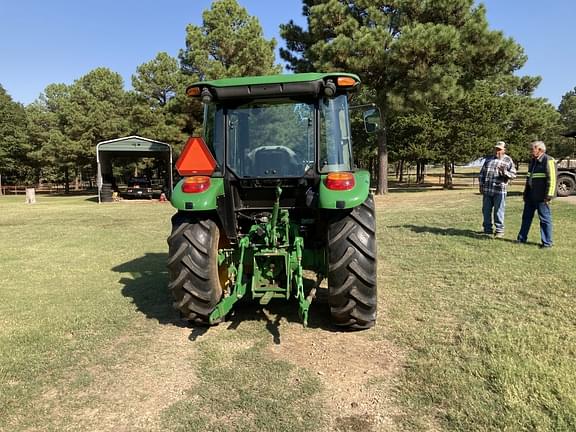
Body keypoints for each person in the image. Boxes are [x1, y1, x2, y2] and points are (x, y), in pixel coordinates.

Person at [517, 141, 557, 248]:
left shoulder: (548, 160)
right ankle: (521, 239)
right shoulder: (533, 161)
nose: (530, 151)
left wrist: (548, 196)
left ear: (539, 149)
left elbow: (552, 180)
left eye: (532, 149)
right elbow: (529, 178)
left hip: (541, 198)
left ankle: (547, 243)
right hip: (530, 196)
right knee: (526, 218)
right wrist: (525, 194)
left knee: (544, 220)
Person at [479, 141, 517, 237]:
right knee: (486, 210)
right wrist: (481, 185)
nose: (497, 151)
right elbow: (482, 173)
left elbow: (513, 175)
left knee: (498, 210)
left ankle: (499, 230)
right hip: (487, 190)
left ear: (504, 150)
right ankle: (487, 230)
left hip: (499, 190)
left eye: (499, 149)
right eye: (496, 149)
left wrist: (505, 173)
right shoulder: (488, 160)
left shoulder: (508, 160)